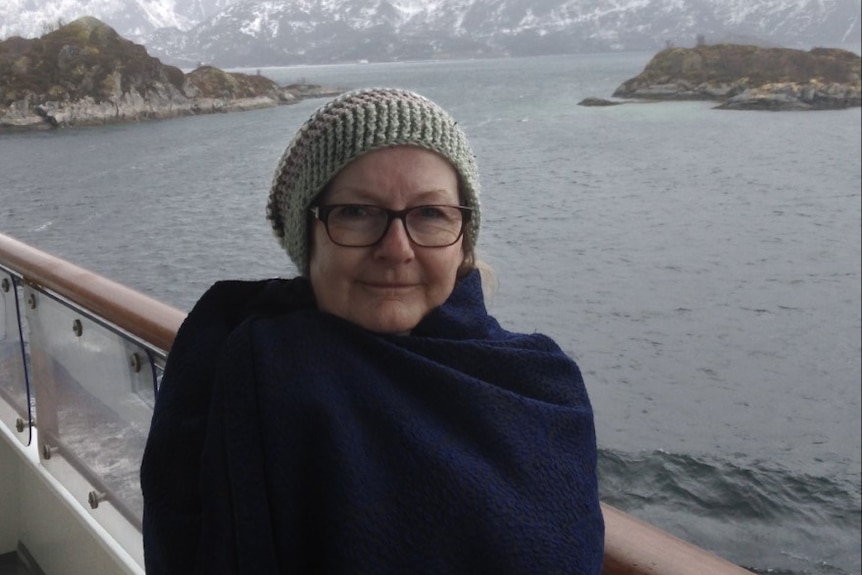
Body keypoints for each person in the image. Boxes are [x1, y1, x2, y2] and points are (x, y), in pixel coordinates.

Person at [141, 87, 604, 574]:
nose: (397, 248)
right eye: (358, 212)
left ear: (463, 236)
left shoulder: (541, 388)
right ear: (309, 238)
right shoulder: (248, 376)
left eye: (430, 213)